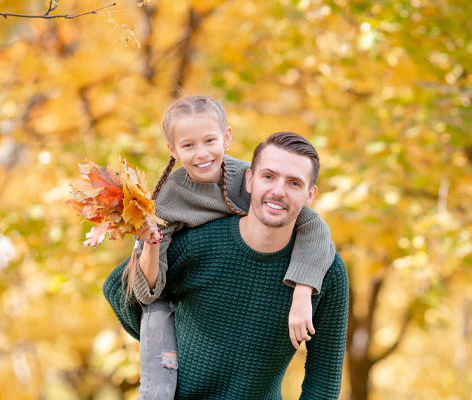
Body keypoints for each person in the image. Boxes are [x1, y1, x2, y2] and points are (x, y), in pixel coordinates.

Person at [105, 131, 348, 399]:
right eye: (268, 176)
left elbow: (323, 383)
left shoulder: (328, 273)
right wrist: (174, 345)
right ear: (249, 180)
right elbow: (119, 289)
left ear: (309, 195)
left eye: (294, 183)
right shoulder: (199, 243)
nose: (278, 191)